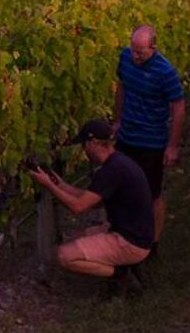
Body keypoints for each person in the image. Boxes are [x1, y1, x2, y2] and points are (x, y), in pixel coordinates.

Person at [30, 119, 155, 293]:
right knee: (74, 238)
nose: (83, 150)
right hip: (134, 234)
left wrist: (49, 185)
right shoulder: (117, 163)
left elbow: (78, 207)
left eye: (84, 145)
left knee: (64, 255)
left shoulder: (110, 171)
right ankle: (125, 266)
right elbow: (89, 199)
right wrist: (58, 183)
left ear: (94, 143)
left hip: (130, 242)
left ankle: (121, 274)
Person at [111, 24, 185, 255]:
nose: (135, 55)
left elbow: (179, 107)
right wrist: (117, 120)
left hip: (151, 143)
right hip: (126, 138)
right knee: (121, 188)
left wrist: (172, 146)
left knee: (152, 194)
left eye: (140, 51)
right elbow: (122, 87)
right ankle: (123, 234)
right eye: (133, 49)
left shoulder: (165, 72)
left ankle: (152, 243)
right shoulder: (125, 58)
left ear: (153, 48)